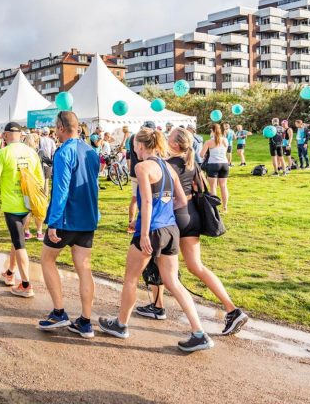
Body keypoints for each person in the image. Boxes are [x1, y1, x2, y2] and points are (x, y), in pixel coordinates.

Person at [98, 128, 214, 352]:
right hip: (171, 229)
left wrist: (143, 232)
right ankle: (199, 332)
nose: (134, 150)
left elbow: (147, 202)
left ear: (140, 146)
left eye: (134, 147)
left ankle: (121, 325)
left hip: (150, 230)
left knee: (130, 278)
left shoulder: (143, 167)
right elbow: (180, 200)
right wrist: (163, 215)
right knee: (173, 282)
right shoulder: (169, 166)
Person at [135, 128, 249, 335]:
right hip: (193, 215)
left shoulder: (167, 165)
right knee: (196, 266)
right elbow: (199, 187)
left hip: (175, 216)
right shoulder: (191, 163)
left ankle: (158, 306)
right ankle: (232, 309)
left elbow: (161, 195)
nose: (165, 140)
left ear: (176, 145)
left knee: (160, 260)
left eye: (169, 138)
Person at [37, 111, 99, 338]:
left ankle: (59, 312)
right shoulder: (91, 151)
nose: (55, 131)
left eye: (56, 127)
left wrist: (52, 222)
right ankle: (85, 320)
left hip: (66, 218)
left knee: (47, 259)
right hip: (87, 218)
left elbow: (61, 189)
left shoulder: (64, 152)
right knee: (84, 267)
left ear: (62, 128)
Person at [0, 123, 44, 297]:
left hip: (12, 205)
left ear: (7, 135)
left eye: (3, 135)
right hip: (27, 203)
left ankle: (26, 284)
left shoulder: (3, 153)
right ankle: (10, 273)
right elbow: (40, 178)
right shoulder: (31, 152)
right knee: (16, 239)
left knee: (19, 243)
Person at [127, 121, 156, 234]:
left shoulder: (133, 137)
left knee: (136, 199)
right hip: (143, 170)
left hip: (135, 171)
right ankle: (137, 224)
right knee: (145, 199)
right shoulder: (141, 139)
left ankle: (132, 223)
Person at [200, 123, 230, 212]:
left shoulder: (209, 142)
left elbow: (201, 154)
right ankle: (225, 208)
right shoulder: (225, 140)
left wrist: (207, 154)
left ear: (212, 131)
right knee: (224, 186)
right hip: (224, 164)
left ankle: (214, 208)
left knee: (213, 187)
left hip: (213, 164)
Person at [38, 127, 57, 195]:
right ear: (48, 133)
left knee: (41, 178)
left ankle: (41, 195)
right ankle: (45, 195)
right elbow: (54, 152)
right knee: (46, 179)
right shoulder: (51, 141)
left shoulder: (39, 140)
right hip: (48, 160)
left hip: (39, 160)